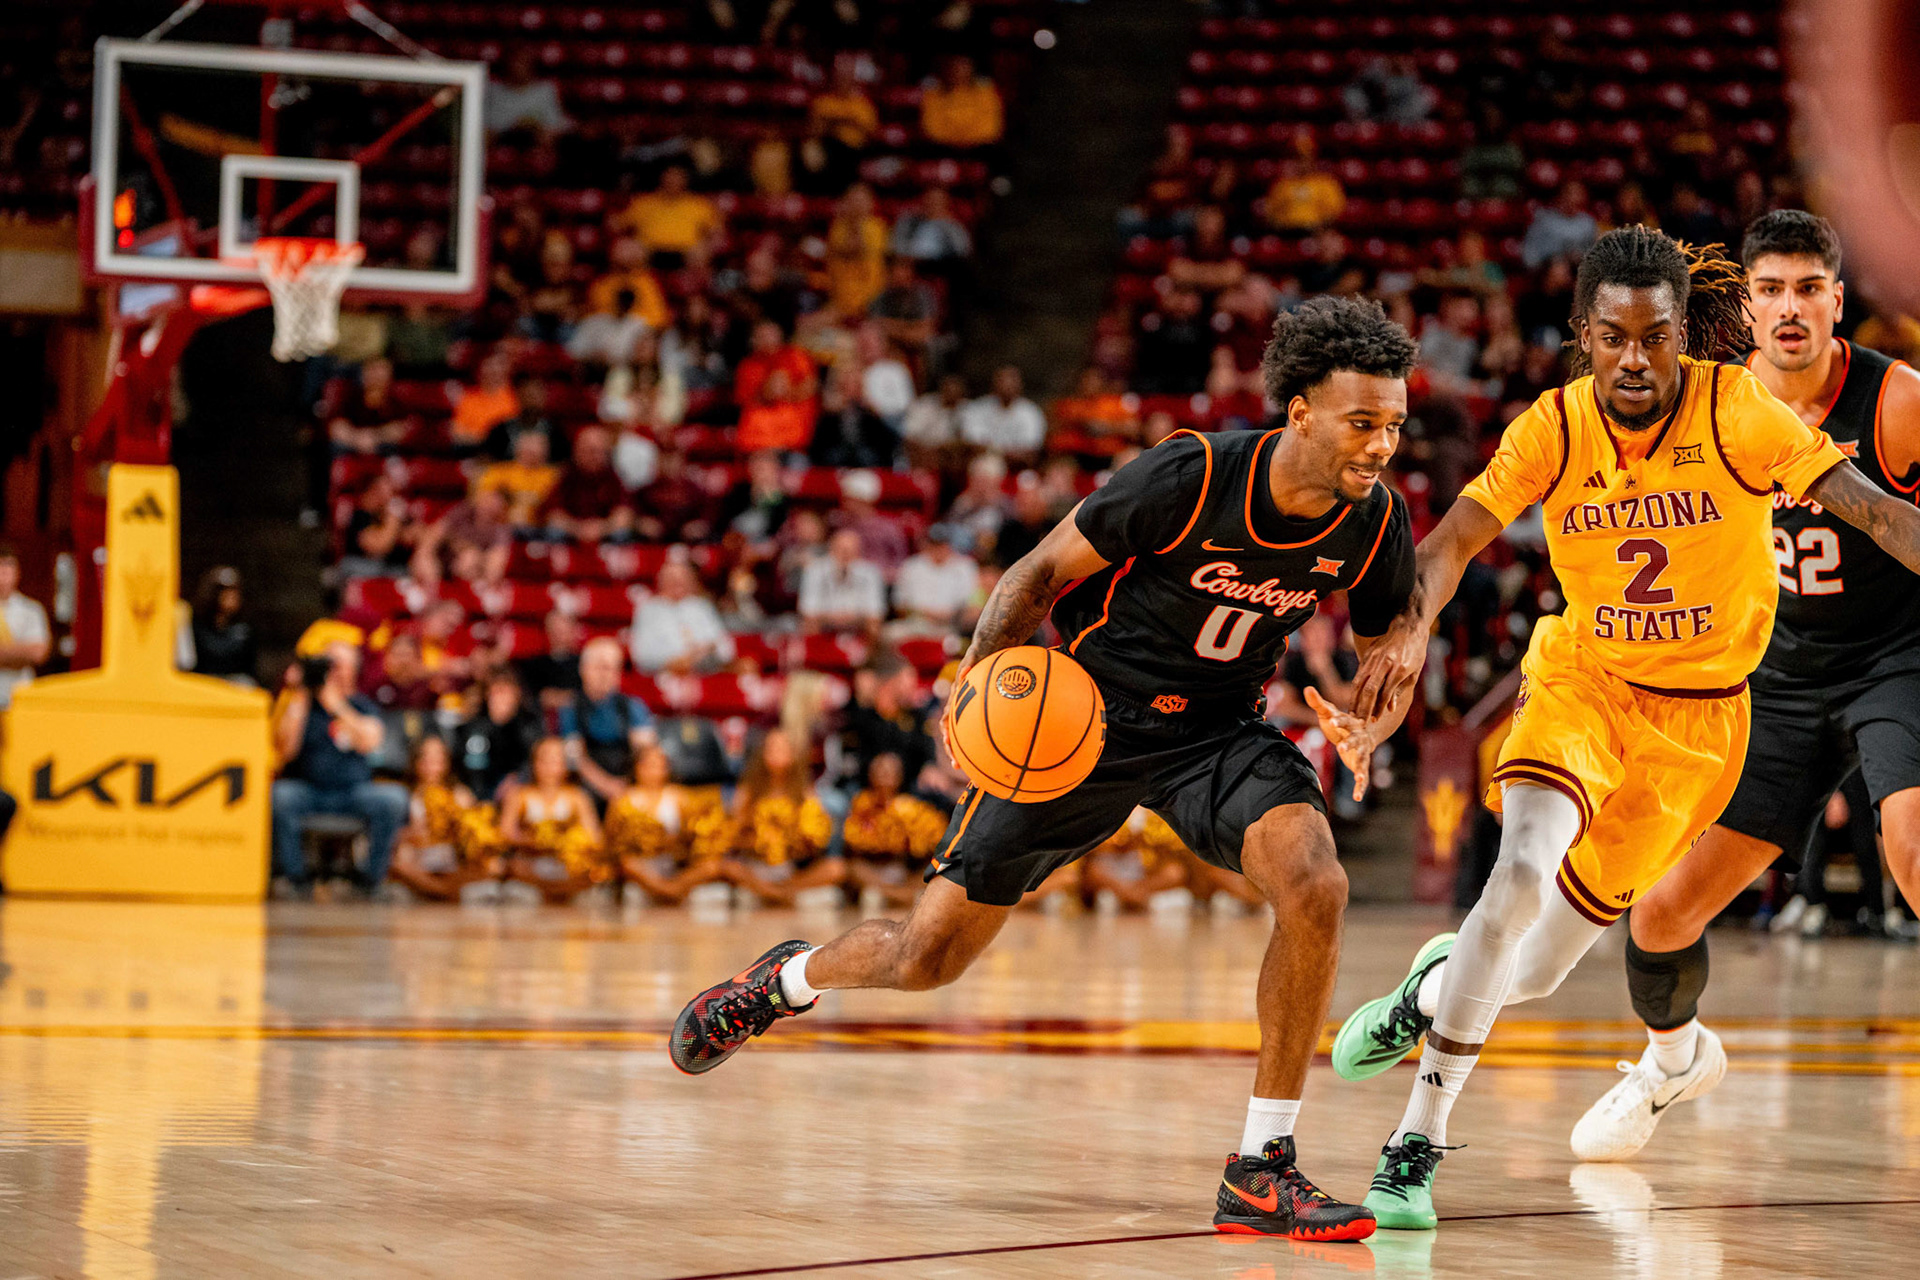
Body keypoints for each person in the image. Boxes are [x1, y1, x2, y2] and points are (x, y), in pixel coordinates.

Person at [669, 296, 1423, 1243]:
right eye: (1363, 423)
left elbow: (1391, 630)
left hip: (1219, 733)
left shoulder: (1373, 520)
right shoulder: (1189, 476)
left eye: (1394, 425)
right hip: (1080, 721)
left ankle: (1260, 1168)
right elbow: (1035, 573)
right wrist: (976, 684)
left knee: (1315, 882)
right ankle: (784, 981)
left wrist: (1375, 711)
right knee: (924, 959)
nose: (1382, 445)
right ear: (1301, 411)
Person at [1331, 226, 1920, 1230]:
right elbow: (1452, 541)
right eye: (1613, 338)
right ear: (1582, 337)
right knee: (1517, 876)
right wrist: (1403, 641)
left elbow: (1871, 510)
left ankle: (1430, 993)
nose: (1636, 359)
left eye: (1656, 337)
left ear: (1686, 336)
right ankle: (1412, 1145)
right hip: (1585, 685)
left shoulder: (1740, 408)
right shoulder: (1552, 427)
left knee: (1536, 967)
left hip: (1707, 722)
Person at [1563, 212, 1920, 1160]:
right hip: (1773, 677)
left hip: (1898, 656)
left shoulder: (1897, 404)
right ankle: (1671, 1061)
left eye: (1809, 287)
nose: (1790, 307)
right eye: (1770, 289)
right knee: (1662, 911)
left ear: (1839, 301)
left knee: (1915, 858)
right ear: (1743, 304)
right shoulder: (1703, 406)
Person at [270, 645, 411, 898]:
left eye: (338, 665)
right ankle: (295, 879)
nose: (332, 671)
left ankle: (370, 882)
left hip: (353, 793)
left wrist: (336, 705)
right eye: (328, 664)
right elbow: (285, 751)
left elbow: (371, 741)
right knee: (280, 795)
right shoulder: (303, 704)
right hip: (310, 791)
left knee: (393, 798)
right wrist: (299, 695)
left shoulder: (362, 706)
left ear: (353, 670)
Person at [714, 727, 841, 907]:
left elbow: (816, 838)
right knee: (728, 868)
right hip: (756, 865)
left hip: (790, 869)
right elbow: (733, 834)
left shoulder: (805, 792)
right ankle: (777, 894)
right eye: (771, 748)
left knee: (836, 868)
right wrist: (754, 838)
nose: (776, 754)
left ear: (793, 754)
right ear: (762, 753)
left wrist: (800, 841)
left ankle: (777, 891)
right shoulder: (749, 791)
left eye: (782, 748)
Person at [609, 744, 729, 905]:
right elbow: (611, 839)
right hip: (641, 865)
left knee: (713, 866)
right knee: (628, 863)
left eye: (661, 764)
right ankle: (666, 891)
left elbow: (697, 833)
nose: (656, 770)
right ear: (637, 767)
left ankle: (670, 889)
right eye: (650, 764)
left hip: (672, 863)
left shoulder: (679, 796)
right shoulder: (623, 800)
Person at [388, 736, 498, 902]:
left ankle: (431, 890)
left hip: (452, 858)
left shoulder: (460, 793)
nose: (431, 765)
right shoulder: (403, 794)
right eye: (425, 758)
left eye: (438, 759)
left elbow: (477, 836)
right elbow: (389, 837)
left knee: (493, 866)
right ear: (415, 761)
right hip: (419, 856)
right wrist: (411, 834)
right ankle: (448, 893)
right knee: (398, 861)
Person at [498, 737, 608, 903]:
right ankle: (554, 891)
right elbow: (504, 833)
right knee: (511, 867)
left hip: (566, 865)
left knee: (594, 871)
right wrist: (533, 841)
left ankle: (558, 891)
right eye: (544, 760)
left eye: (556, 760)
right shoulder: (519, 794)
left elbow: (594, 836)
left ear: (566, 765)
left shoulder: (577, 796)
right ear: (533, 763)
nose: (549, 767)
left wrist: (566, 842)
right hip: (531, 864)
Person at [842, 752, 948, 909]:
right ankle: (898, 895)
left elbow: (934, 845)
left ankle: (894, 894)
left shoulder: (913, 807)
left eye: (890, 770)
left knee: (939, 867)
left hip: (903, 870)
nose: (885, 774)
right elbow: (851, 846)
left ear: (900, 775)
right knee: (851, 868)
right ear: (870, 774)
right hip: (872, 870)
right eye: (880, 770)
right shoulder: (861, 804)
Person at [558, 636, 655, 806]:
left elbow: (644, 753)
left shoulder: (633, 707)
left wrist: (625, 785)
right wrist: (607, 786)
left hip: (628, 782)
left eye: (613, 668)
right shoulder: (571, 709)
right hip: (588, 786)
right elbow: (575, 759)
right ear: (583, 669)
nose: (606, 675)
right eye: (601, 667)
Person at [631, 560, 735, 674]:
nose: (678, 583)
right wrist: (674, 662)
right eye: (672, 579)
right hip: (664, 676)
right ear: (661, 582)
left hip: (706, 673)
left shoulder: (702, 607)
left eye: (682, 579)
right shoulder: (648, 610)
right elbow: (641, 655)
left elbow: (726, 647)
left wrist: (707, 650)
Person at [455, 669, 542, 800]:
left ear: (517, 695)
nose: (501, 698)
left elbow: (536, 762)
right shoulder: (474, 727)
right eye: (496, 692)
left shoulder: (529, 725)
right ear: (487, 695)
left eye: (506, 692)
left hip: (518, 793)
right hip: (478, 793)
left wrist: (518, 779)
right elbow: (464, 764)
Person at [538, 426, 634, 543]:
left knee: (621, 535)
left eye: (600, 452)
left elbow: (624, 515)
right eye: (589, 451)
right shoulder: (566, 476)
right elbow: (552, 514)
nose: (595, 457)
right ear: (576, 451)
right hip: (572, 535)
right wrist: (578, 529)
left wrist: (601, 528)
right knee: (554, 533)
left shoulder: (613, 478)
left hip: (604, 535)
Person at [798, 529, 886, 637]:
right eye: (841, 550)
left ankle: (867, 654)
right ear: (831, 550)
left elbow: (876, 611)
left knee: (875, 626)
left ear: (859, 552)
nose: (846, 555)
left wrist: (852, 617)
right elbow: (808, 610)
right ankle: (816, 652)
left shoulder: (871, 572)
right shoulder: (814, 570)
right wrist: (833, 617)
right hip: (824, 622)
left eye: (851, 551)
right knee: (808, 624)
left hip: (859, 622)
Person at [958, 366, 1046, 464]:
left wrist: (995, 451)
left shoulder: (1031, 412)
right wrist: (1002, 453)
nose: (1006, 387)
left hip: (1017, 465)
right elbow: (972, 443)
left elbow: (1030, 448)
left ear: (1020, 386)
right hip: (983, 462)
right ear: (993, 385)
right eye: (1002, 382)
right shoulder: (978, 408)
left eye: (1011, 383)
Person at [189, 565, 257, 685]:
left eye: (234, 592)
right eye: (224, 591)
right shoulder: (196, 626)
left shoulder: (244, 631)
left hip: (235, 685)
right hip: (202, 683)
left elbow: (249, 668)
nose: (230, 597)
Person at [0, 547, 49, 711]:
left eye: (8, 565)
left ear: (17, 571)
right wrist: (19, 652)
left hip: (17, 696)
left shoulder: (31, 610)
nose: (3, 572)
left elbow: (38, 652)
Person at [919, 55, 1003, 150]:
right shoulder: (933, 93)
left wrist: (967, 140)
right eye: (954, 66)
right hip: (941, 149)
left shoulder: (985, 91)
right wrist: (955, 141)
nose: (958, 71)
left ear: (972, 68)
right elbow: (931, 130)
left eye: (963, 65)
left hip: (981, 149)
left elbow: (991, 128)